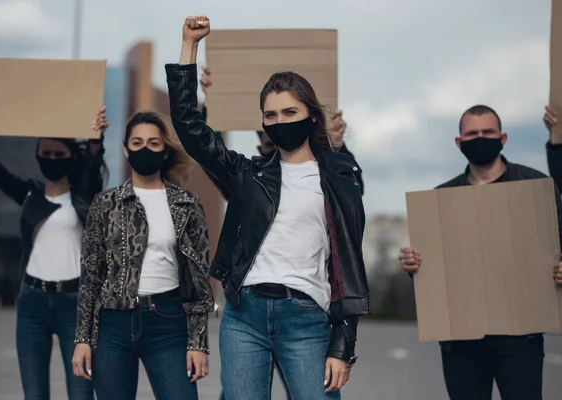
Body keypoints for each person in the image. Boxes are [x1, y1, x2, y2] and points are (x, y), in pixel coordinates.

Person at [165, 16, 369, 400]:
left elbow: (348, 265)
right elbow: (189, 126)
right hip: (245, 316)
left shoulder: (340, 177)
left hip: (307, 319)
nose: (279, 122)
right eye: (270, 115)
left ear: (310, 115)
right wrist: (189, 45)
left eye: (289, 113)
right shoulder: (246, 174)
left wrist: (342, 347)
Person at [399, 104, 562, 400]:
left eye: (488, 132)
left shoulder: (534, 188)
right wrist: (415, 266)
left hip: (520, 336)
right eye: (472, 134)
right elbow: (434, 272)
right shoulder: (440, 200)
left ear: (503, 138)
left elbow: (558, 245)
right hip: (461, 338)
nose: (480, 137)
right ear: (459, 143)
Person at [0, 108, 108, 400]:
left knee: (81, 392)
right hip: (32, 302)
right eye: (46, 154)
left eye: (58, 154)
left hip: (76, 304)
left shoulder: (85, 196)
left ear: (72, 157)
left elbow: (92, 168)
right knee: (34, 394)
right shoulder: (29, 194)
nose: (51, 159)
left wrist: (96, 138)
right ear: (37, 156)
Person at [71, 110, 215, 400]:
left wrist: (198, 343)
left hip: (168, 321)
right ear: (125, 149)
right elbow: (90, 276)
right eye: (137, 143)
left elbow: (199, 279)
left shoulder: (186, 204)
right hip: (112, 324)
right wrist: (82, 339)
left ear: (164, 151)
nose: (144, 149)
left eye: (153, 143)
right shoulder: (106, 204)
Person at [198, 66, 364, 196]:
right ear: (260, 149)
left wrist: (336, 145)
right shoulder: (247, 184)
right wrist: (212, 106)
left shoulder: (323, 177)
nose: (281, 145)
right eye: (272, 144)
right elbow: (211, 154)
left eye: (290, 113)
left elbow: (352, 190)